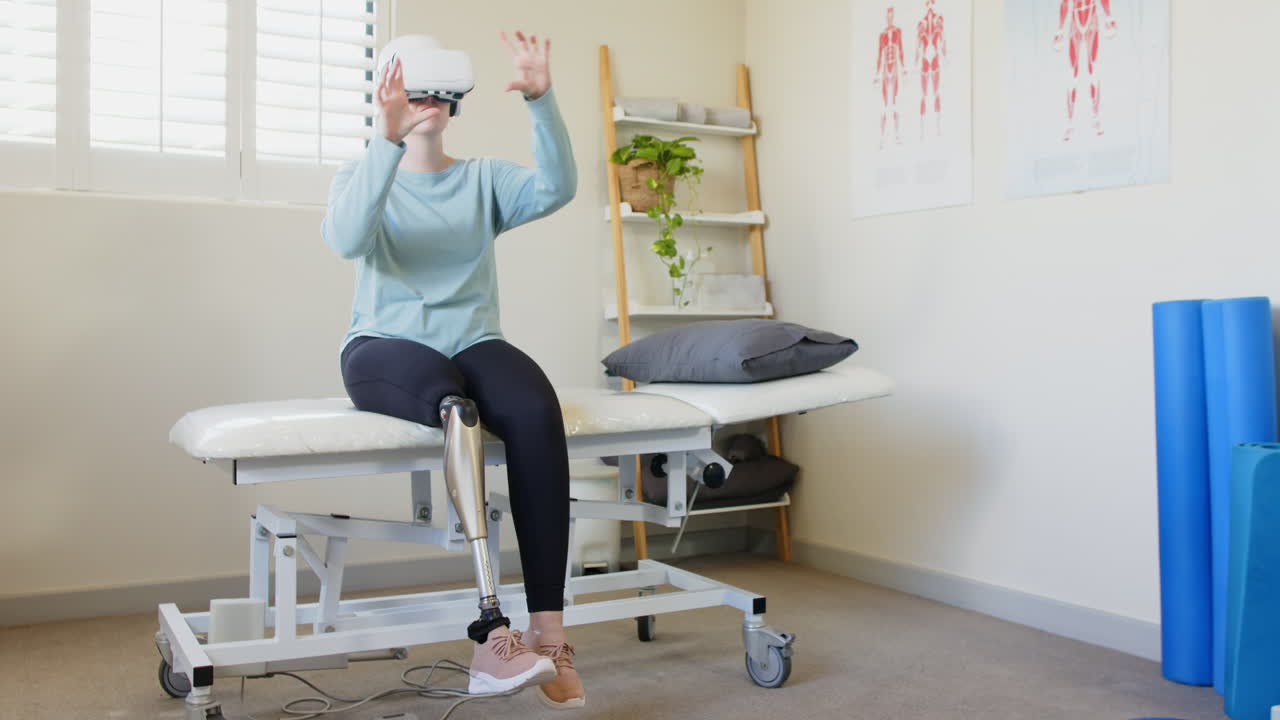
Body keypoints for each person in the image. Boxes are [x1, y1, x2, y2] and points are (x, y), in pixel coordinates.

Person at [320, 30, 583, 709]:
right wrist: (387, 139)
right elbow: (347, 237)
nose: (426, 101)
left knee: (532, 406)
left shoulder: (483, 180)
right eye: (414, 90)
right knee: (454, 405)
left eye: (437, 91)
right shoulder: (362, 176)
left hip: (471, 339)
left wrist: (540, 99)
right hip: (384, 347)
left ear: (454, 99)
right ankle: (490, 633)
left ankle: (548, 634)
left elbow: (558, 188)